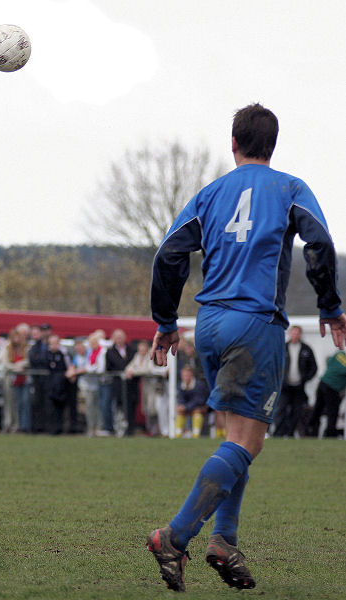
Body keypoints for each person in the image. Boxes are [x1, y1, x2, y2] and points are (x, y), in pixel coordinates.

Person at [146, 103, 346, 592]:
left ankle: (225, 540)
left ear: (232, 143)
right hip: (254, 323)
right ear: (272, 145)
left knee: (238, 437)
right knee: (247, 441)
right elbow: (319, 243)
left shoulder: (209, 194)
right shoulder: (290, 189)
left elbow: (169, 253)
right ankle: (175, 535)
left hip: (208, 323)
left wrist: (166, 321)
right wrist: (330, 305)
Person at [273, 324, 317, 437]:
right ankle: (277, 434)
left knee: (296, 411)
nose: (295, 335)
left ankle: (290, 433)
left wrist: (305, 379)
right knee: (280, 410)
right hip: (284, 386)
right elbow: (274, 364)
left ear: (300, 335)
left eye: (297, 333)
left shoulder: (306, 349)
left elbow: (314, 367)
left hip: (299, 387)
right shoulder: (283, 347)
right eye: (293, 332)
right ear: (289, 334)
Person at [307, 350, 346, 438]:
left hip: (323, 383)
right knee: (332, 412)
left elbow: (328, 360)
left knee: (317, 409)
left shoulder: (338, 354)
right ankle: (330, 435)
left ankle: (310, 430)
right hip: (333, 388)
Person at [105, 329, 134, 436]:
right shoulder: (110, 352)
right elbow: (108, 368)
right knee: (118, 407)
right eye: (117, 337)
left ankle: (130, 429)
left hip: (130, 385)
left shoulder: (131, 350)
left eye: (121, 337)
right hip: (117, 385)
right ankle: (118, 429)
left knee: (130, 407)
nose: (119, 339)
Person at [175, 365, 210, 438]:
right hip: (189, 406)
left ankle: (196, 435)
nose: (186, 377)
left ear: (192, 375)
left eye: (187, 375)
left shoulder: (199, 385)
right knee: (180, 411)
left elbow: (199, 400)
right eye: (184, 375)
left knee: (197, 411)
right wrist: (182, 406)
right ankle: (178, 434)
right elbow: (181, 398)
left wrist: (186, 407)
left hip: (202, 406)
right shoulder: (181, 386)